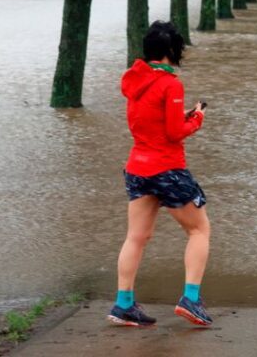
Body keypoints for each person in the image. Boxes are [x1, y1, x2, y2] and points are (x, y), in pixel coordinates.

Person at [107, 21, 213, 328]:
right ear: (171, 50)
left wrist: (180, 115)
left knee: (136, 237)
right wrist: (196, 119)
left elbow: (149, 120)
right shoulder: (170, 84)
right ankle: (190, 300)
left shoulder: (133, 80)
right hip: (167, 168)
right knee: (199, 230)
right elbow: (174, 133)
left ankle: (123, 304)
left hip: (138, 168)